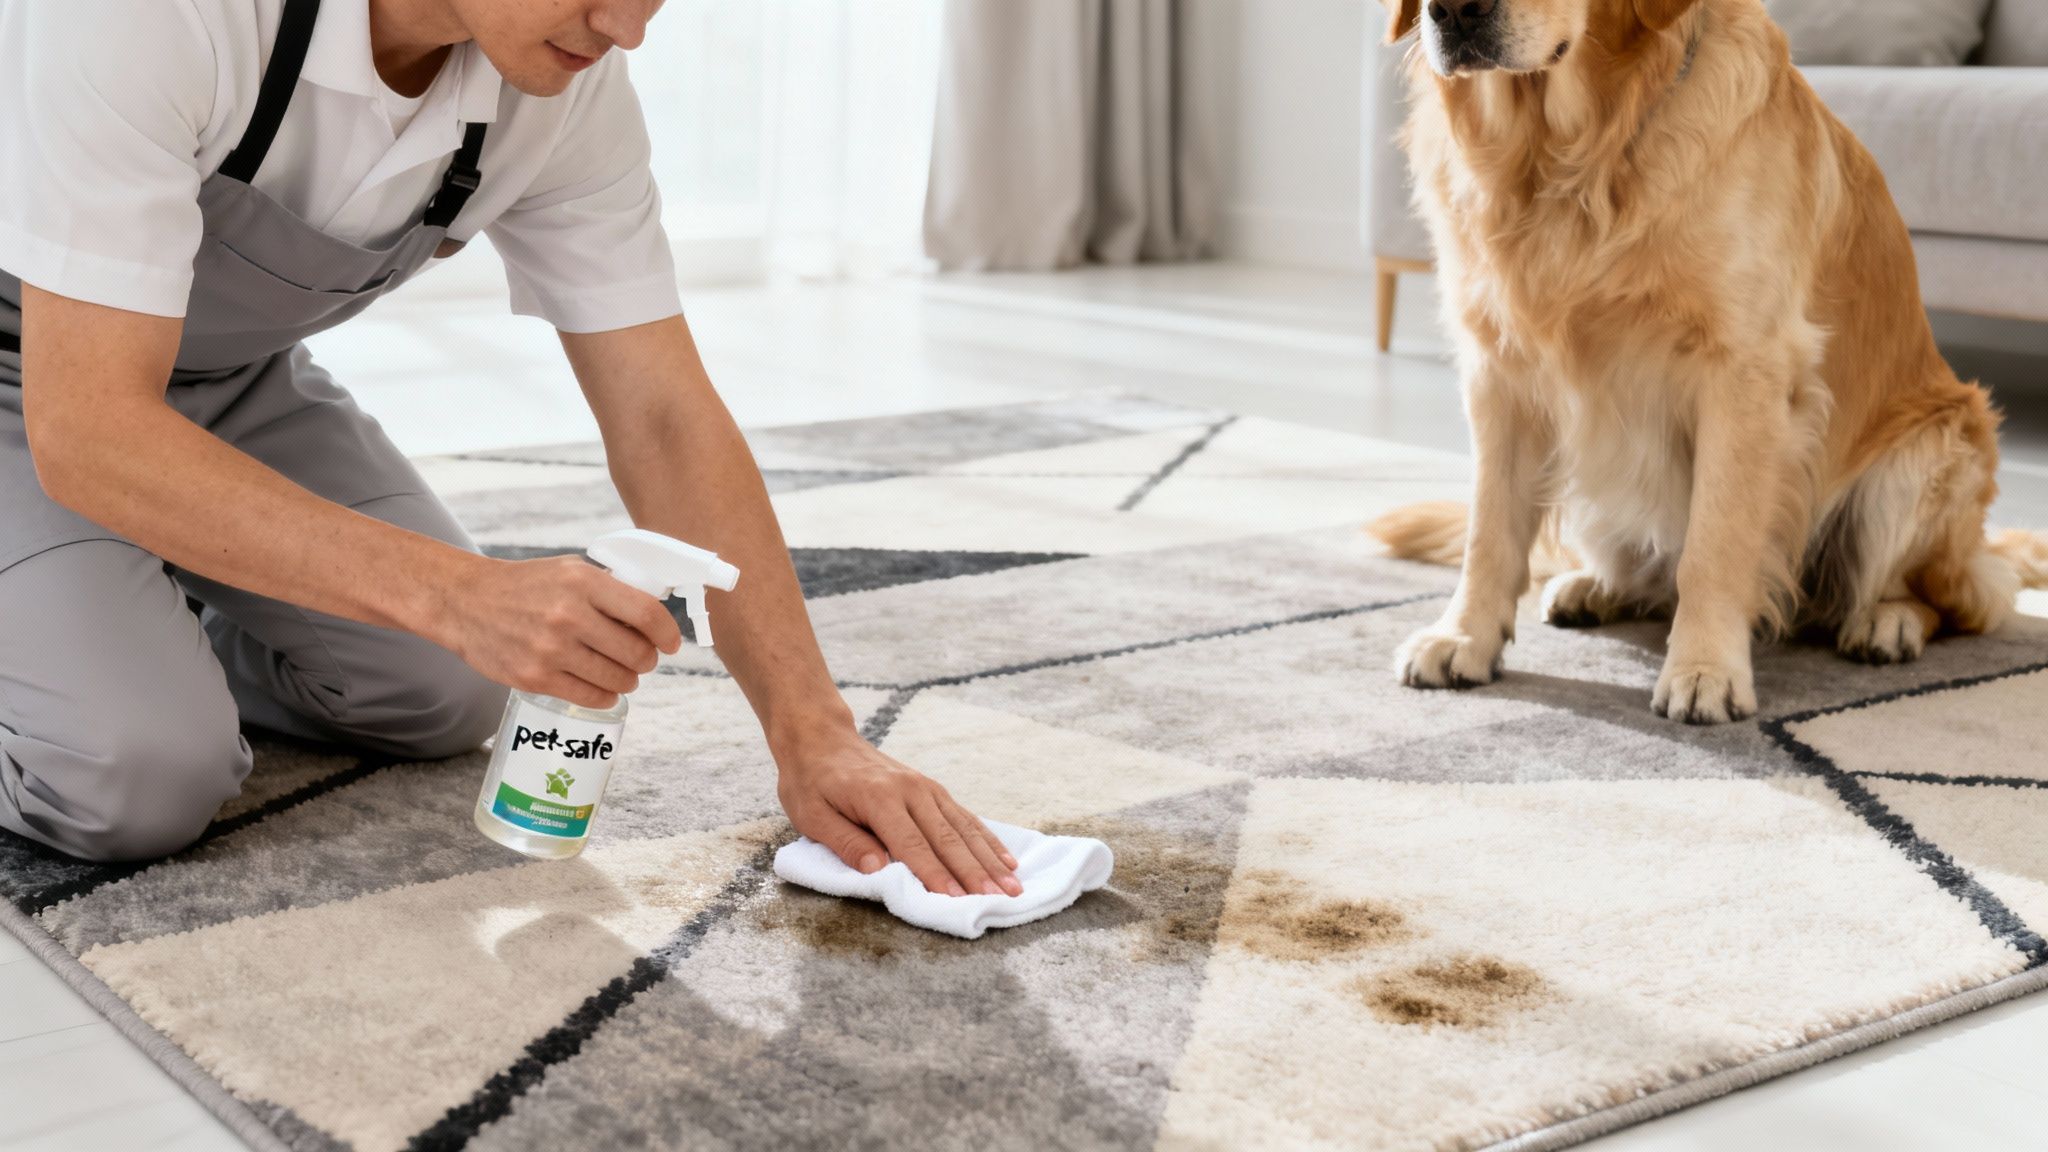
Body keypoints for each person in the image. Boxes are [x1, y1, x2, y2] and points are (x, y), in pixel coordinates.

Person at [0, 0, 1022, 899]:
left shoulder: (561, 93)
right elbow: (90, 428)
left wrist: (817, 734)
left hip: (225, 380)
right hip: (42, 389)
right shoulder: (153, 11)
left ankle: (130, 605)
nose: (629, 26)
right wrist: (452, 592)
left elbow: (662, 413)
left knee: (441, 694)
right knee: (134, 776)